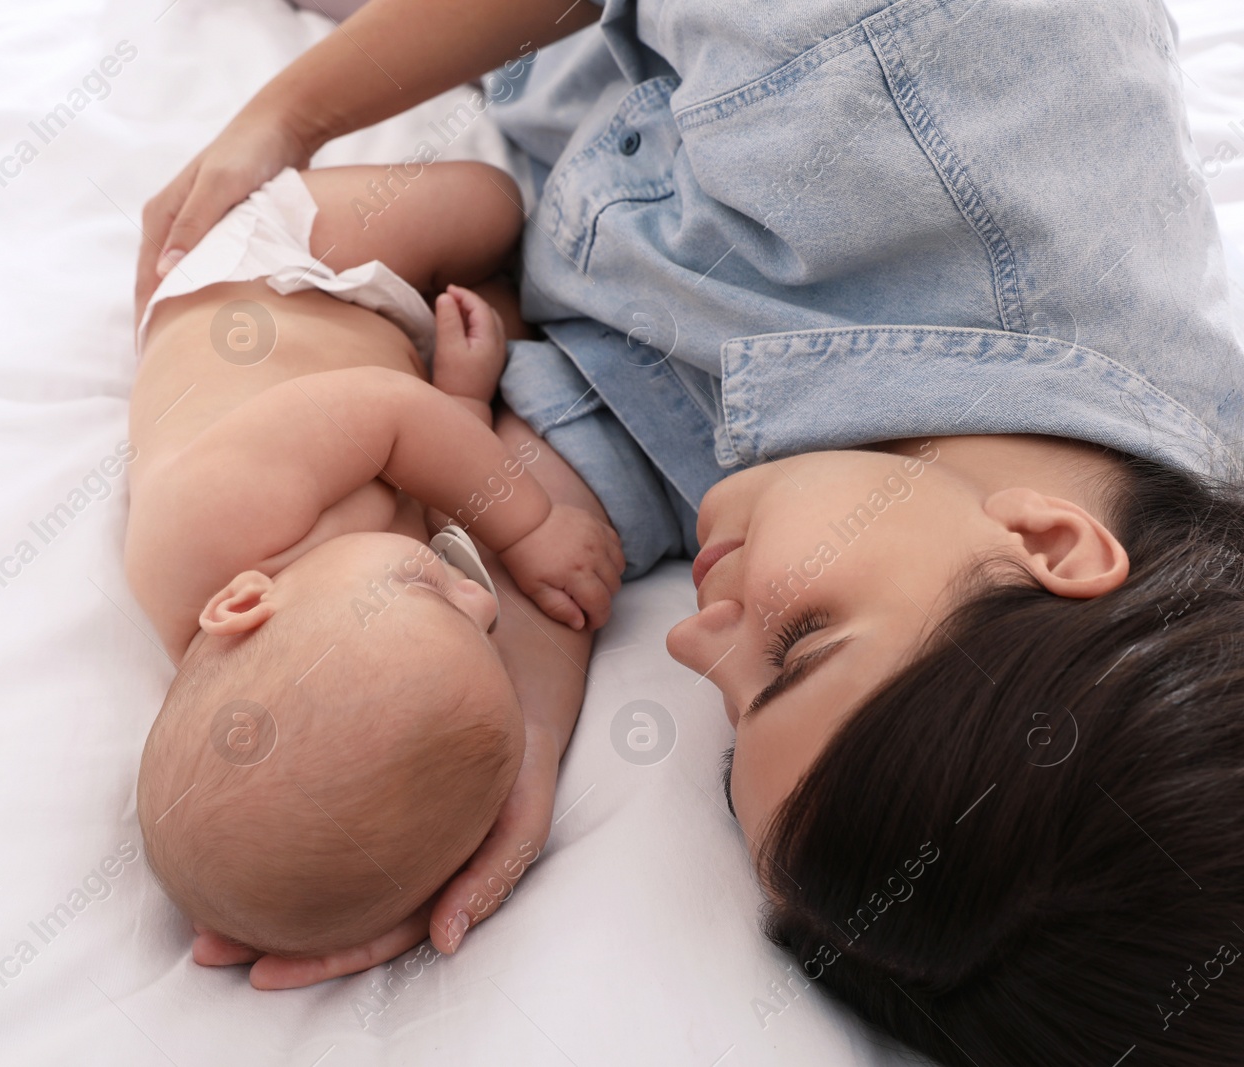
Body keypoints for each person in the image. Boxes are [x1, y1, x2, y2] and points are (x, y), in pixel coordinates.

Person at [136, 0, 1244, 1060]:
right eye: (799, 645)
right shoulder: (935, 56)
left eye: (728, 725)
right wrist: (286, 118)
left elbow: (569, 471)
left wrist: (485, 763)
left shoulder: (904, 500)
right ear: (1052, 546)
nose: (691, 640)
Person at [128, 162, 622, 963]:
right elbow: (412, 493)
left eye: (435, 590)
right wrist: (463, 401)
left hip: (282, 273)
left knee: (491, 205)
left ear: (243, 603)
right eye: (484, 634)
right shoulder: (349, 637)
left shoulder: (202, 523)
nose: (484, 600)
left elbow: (388, 418)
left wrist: (527, 526)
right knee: (508, 307)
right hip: (396, 381)